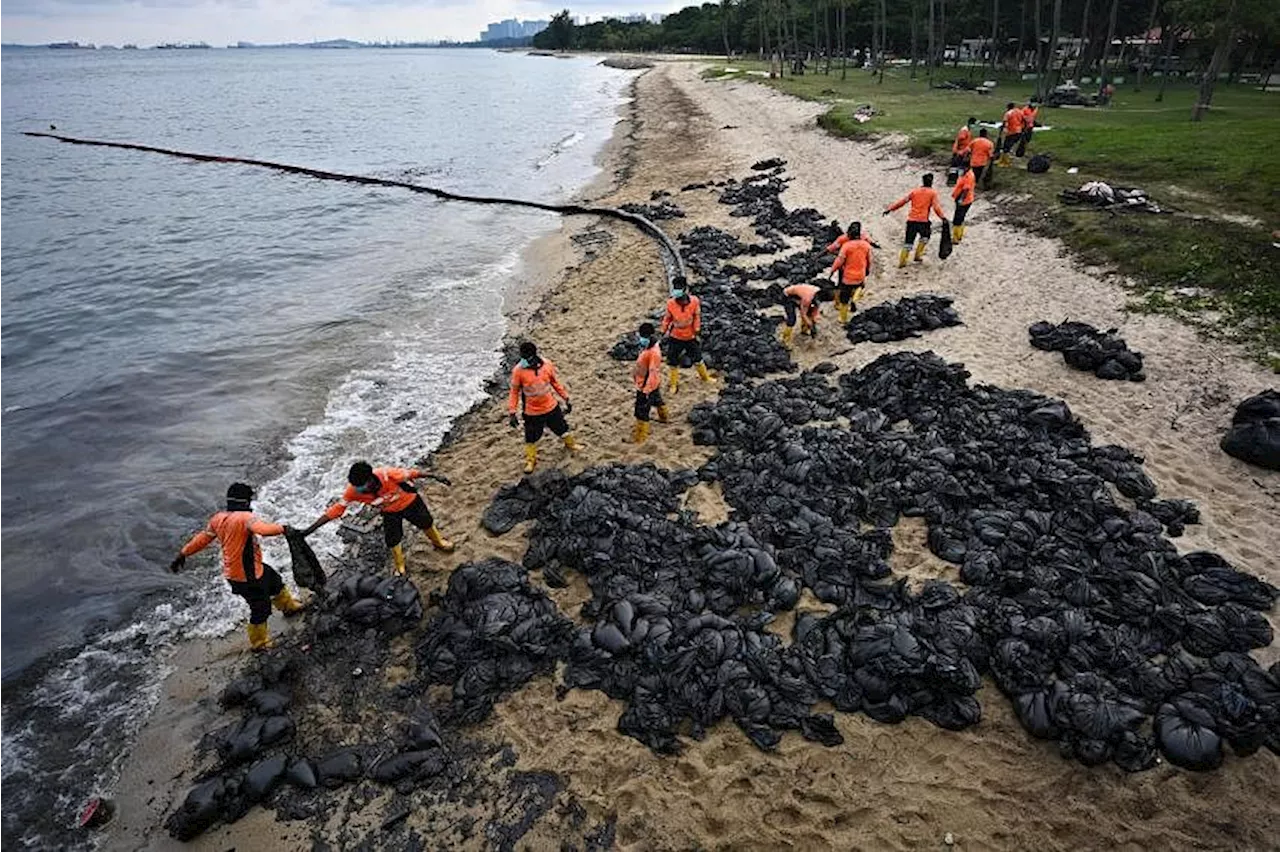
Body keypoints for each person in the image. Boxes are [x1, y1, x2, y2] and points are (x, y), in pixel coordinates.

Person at [169, 482, 304, 651]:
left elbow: (202, 539)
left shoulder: (218, 519)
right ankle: (260, 643)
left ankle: (288, 606)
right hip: (249, 577)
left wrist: (183, 553)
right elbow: (262, 530)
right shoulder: (245, 518)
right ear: (245, 502)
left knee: (274, 580)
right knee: (260, 608)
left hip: (237, 574)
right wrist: (283, 528)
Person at [310, 462, 454, 576]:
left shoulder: (388, 474)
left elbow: (413, 473)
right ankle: (400, 566)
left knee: (426, 522)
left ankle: (438, 542)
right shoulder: (353, 491)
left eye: (362, 486)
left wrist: (435, 476)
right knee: (392, 539)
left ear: (370, 478)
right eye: (357, 487)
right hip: (389, 511)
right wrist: (311, 528)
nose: (360, 490)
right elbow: (337, 510)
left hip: (410, 502)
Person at [506, 341, 578, 474]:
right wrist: (512, 412)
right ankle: (530, 460)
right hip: (532, 411)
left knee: (561, 427)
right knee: (531, 436)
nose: (522, 359)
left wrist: (566, 398)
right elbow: (514, 392)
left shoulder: (547, 365)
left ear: (532, 355)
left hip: (551, 406)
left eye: (525, 356)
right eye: (521, 356)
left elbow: (555, 383)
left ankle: (571, 444)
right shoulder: (518, 371)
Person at [660, 277, 714, 393]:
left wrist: (697, 329)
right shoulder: (670, 304)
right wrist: (663, 330)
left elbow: (696, 316)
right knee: (672, 361)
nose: (676, 291)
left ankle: (705, 378)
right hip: (675, 336)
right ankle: (673, 385)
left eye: (679, 288)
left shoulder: (694, 301)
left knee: (698, 358)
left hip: (690, 336)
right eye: (675, 289)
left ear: (685, 289)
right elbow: (667, 319)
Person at [883, 173, 947, 267]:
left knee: (908, 242)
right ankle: (917, 255)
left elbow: (902, 201)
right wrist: (942, 218)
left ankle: (902, 262)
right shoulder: (932, 193)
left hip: (911, 221)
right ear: (931, 182)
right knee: (925, 238)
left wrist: (890, 209)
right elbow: (936, 207)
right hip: (923, 222)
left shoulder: (915, 192)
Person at [826, 222, 872, 323]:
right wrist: (868, 270)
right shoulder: (866, 245)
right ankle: (855, 298)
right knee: (860, 286)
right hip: (860, 274)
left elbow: (839, 261)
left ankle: (843, 318)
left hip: (847, 276)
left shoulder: (846, 246)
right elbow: (869, 260)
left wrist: (832, 271)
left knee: (844, 299)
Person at [631, 322, 668, 444]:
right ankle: (664, 417)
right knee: (657, 400)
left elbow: (653, 373)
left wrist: (646, 390)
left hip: (646, 385)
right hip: (649, 383)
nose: (641, 339)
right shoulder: (648, 347)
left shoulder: (654, 353)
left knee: (642, 411)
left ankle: (641, 437)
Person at [781, 282, 822, 347]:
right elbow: (803, 314)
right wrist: (810, 324)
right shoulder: (807, 299)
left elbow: (814, 310)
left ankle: (804, 330)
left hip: (800, 296)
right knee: (792, 320)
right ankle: (785, 340)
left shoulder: (819, 293)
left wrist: (814, 319)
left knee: (809, 313)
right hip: (788, 296)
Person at [951, 165, 976, 244]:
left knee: (957, 219)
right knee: (961, 217)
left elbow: (966, 189)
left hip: (964, 200)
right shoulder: (965, 174)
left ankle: (956, 238)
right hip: (963, 199)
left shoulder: (968, 176)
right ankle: (959, 235)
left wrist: (961, 199)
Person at [999, 101, 1024, 166]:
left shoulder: (1008, 113)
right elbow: (1023, 119)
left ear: (1008, 107)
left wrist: (1001, 129)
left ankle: (1006, 161)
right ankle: (1007, 159)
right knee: (1011, 145)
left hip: (1011, 132)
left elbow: (1004, 122)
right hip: (1019, 131)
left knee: (1006, 146)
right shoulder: (1019, 111)